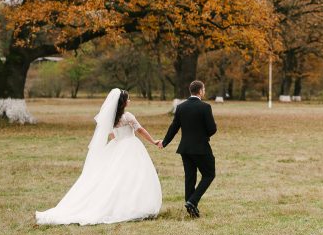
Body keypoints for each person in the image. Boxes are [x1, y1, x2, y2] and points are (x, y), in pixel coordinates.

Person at [36, 89, 163, 225]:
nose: (130, 101)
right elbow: (140, 130)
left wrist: (117, 142)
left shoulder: (111, 118)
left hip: (117, 146)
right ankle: (134, 206)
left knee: (116, 177)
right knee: (133, 177)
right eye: (128, 99)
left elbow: (111, 134)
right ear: (123, 102)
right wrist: (154, 141)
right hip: (130, 145)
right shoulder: (128, 117)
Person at [161, 80, 217, 218]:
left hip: (185, 148)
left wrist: (164, 142)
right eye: (203, 89)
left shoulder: (181, 107)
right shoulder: (205, 107)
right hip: (201, 148)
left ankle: (191, 208)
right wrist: (204, 134)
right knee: (209, 174)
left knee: (190, 178)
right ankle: (192, 201)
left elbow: (174, 127)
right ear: (200, 91)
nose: (204, 92)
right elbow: (212, 129)